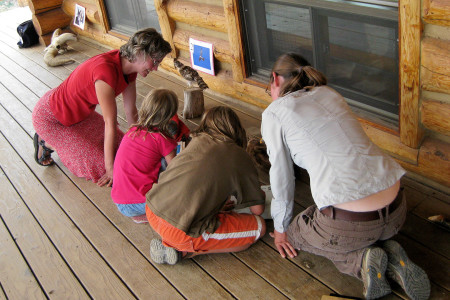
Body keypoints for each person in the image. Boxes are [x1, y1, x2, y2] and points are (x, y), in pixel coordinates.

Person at [261, 53, 430, 299]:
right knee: (336, 215)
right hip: (397, 209)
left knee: (299, 228)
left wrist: (281, 230)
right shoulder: (330, 93)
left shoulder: (274, 112)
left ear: (274, 79)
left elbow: (282, 178)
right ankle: (390, 256)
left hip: (351, 224)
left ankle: (362, 261)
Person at [32, 28, 171, 187]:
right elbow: (110, 123)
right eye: (155, 62)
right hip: (51, 118)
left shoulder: (129, 69)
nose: (155, 68)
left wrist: (142, 144)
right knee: (102, 167)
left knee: (121, 147)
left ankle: (60, 142)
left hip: (80, 114)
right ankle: (47, 142)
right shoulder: (105, 71)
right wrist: (110, 169)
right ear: (140, 53)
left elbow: (131, 112)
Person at [145, 106, 266, 265]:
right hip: (182, 230)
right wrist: (260, 195)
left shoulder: (196, 140)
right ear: (237, 130)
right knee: (259, 227)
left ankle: (170, 242)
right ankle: (185, 252)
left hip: (152, 210)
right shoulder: (240, 155)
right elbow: (258, 210)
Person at [111, 89, 190, 223]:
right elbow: (176, 171)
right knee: (182, 194)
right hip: (139, 203)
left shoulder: (132, 131)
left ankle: (144, 212)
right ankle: (150, 213)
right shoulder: (162, 139)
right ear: (171, 115)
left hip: (120, 200)